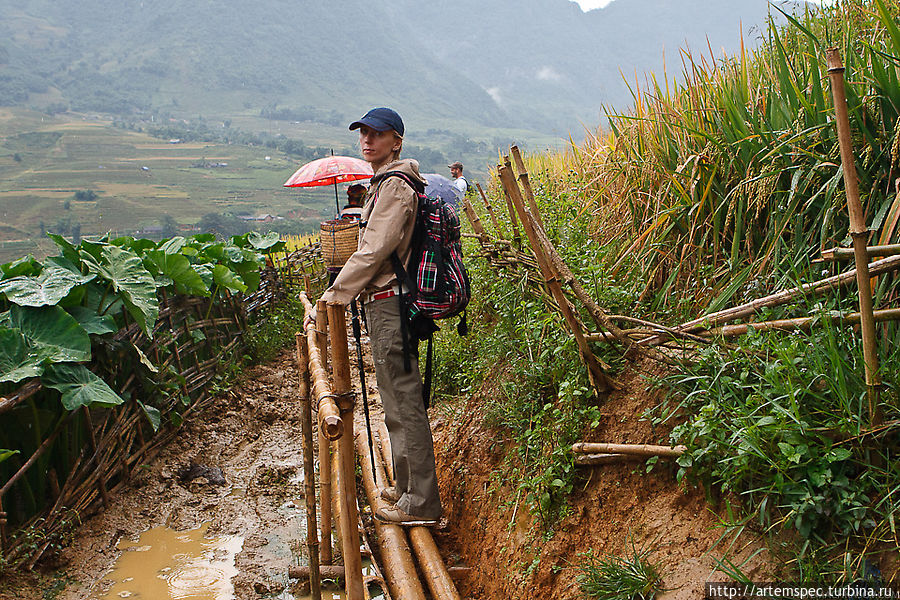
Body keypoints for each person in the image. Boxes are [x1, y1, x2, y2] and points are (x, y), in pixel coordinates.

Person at [318, 107, 442, 526]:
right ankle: (407, 489)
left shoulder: (394, 187)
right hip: (384, 303)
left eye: (378, 134)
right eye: (364, 134)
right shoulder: (384, 184)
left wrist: (332, 296)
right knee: (393, 401)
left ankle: (421, 504)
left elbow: (373, 251)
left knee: (405, 403)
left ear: (397, 141)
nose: (367, 141)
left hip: (392, 303)